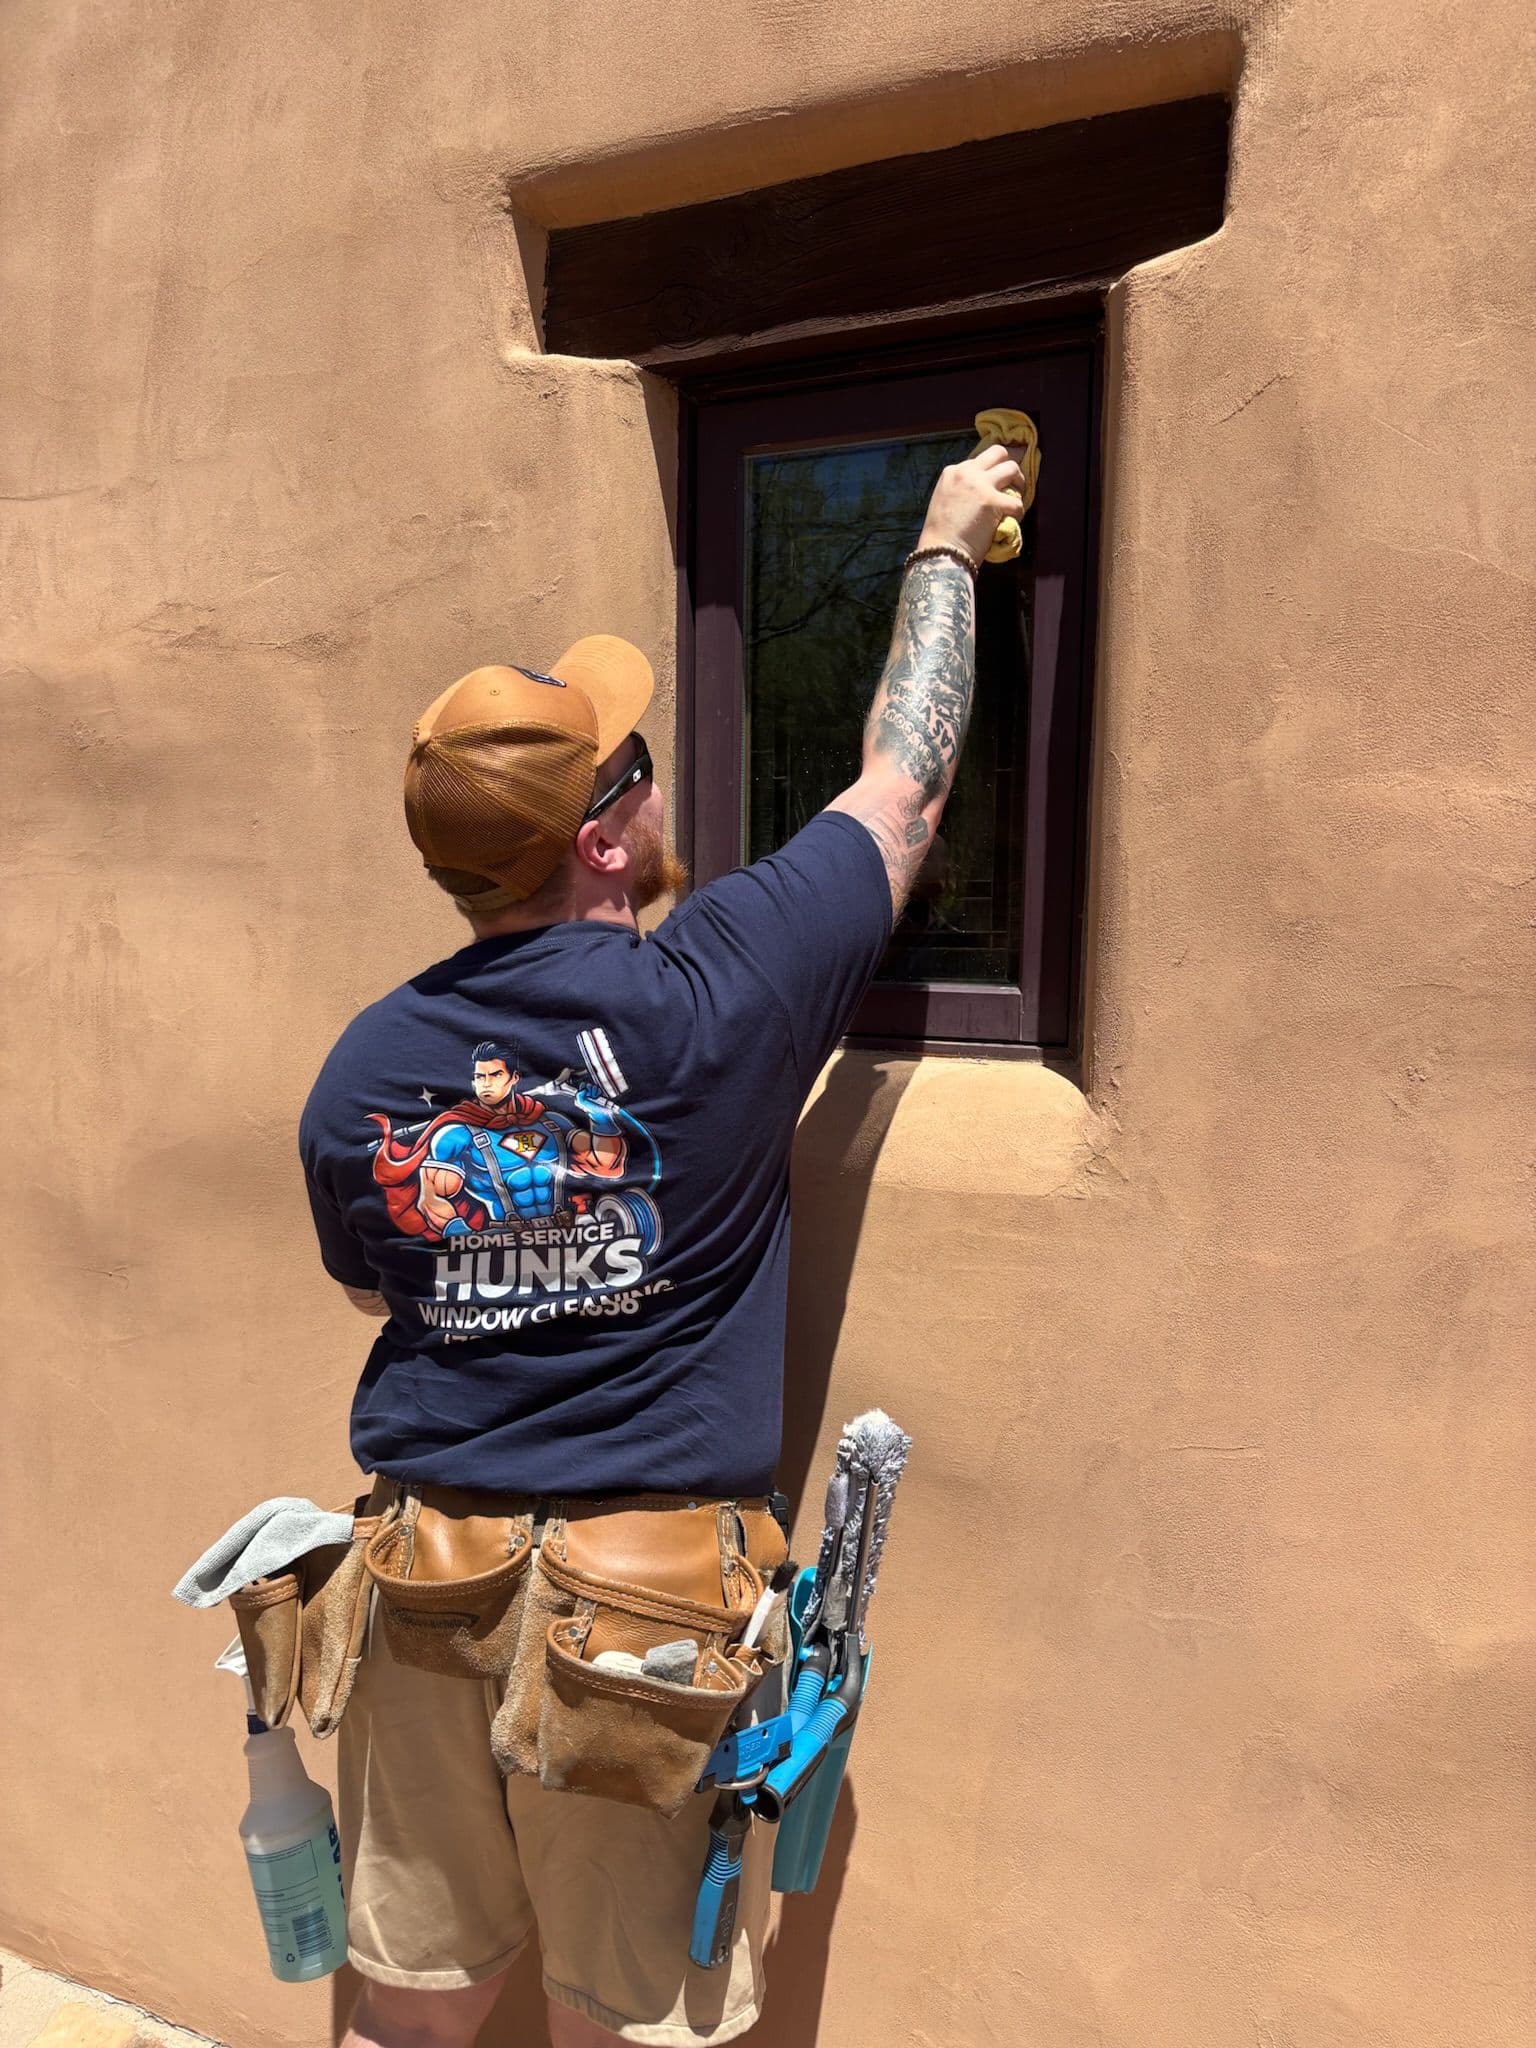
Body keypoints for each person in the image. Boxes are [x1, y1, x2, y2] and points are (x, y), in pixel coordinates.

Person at [298, 444, 1027, 2048]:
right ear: (605, 843)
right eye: (630, 768)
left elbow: (375, 1280)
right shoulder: (722, 993)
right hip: (650, 1624)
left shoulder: (363, 1067)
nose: (649, 782)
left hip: (423, 1593)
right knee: (632, 2024)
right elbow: (903, 789)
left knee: (406, 2009)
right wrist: (940, 550)